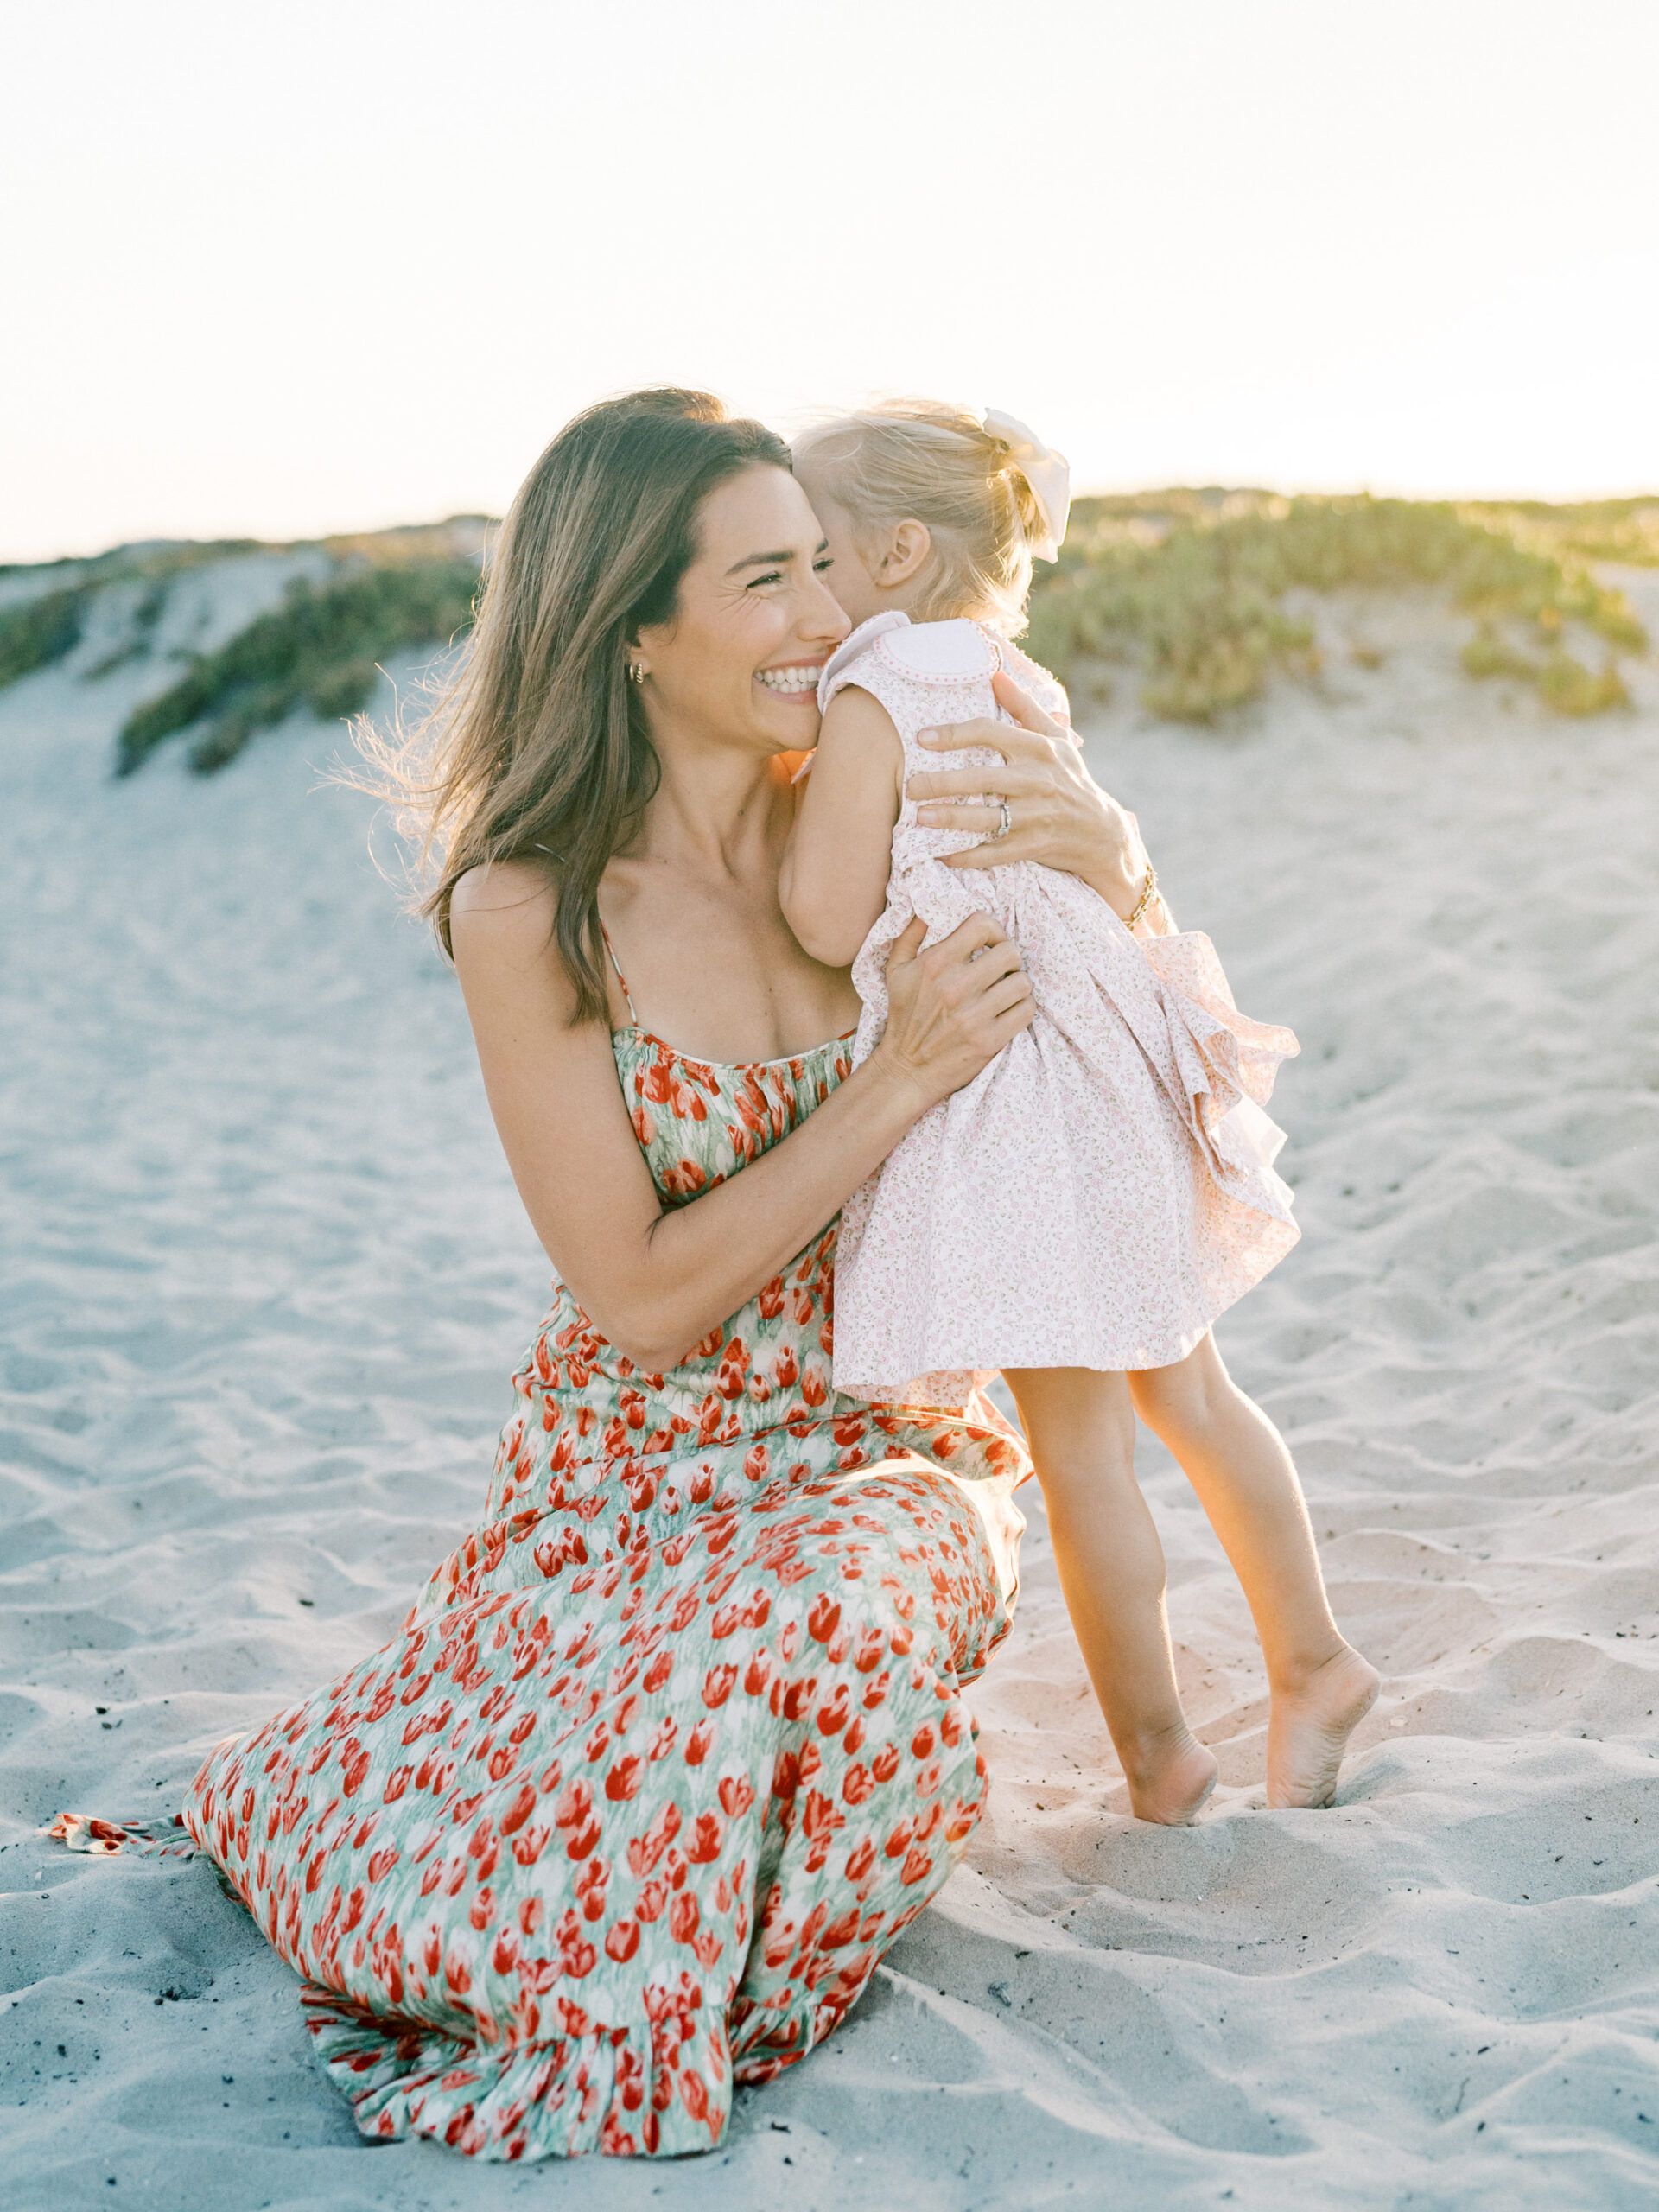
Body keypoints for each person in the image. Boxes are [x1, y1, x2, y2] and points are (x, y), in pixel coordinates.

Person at [52, 388, 1154, 2161]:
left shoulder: (866, 791)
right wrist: (886, 1092)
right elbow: (638, 1296)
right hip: (625, 1474)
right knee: (538, 1762)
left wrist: (1122, 858)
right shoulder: (534, 904)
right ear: (638, 629)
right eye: (768, 580)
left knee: (808, 1620)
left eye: (822, 564)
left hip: (888, 1458)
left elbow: (1125, 1002)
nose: (821, 615)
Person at [781, 399, 1379, 1825]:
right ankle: (1314, 1659)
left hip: (1015, 1095)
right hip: (1113, 1064)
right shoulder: (1012, 680)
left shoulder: (873, 688)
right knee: (1191, 1388)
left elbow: (816, 916)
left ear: (897, 554)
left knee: (1078, 1449)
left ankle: (1162, 1756)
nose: (804, 588)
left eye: (815, 555)